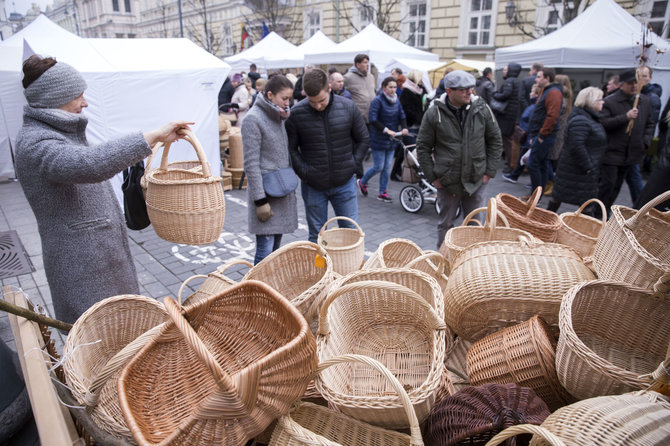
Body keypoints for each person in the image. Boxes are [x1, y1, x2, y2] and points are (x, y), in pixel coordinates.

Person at [14, 55, 193, 324]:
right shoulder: (36, 142)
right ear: (54, 97)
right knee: (101, 345)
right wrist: (153, 136)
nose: (84, 103)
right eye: (78, 96)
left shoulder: (56, 133)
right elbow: (90, 164)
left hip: (98, 262)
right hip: (82, 270)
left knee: (123, 335)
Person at [416, 70, 502, 249]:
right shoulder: (434, 113)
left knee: (474, 226)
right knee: (446, 225)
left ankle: (471, 263)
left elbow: (495, 140)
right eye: (463, 89)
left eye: (470, 88)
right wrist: (434, 178)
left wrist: (489, 172)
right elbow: (423, 147)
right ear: (449, 91)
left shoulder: (481, 108)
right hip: (447, 181)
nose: (469, 92)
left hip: (476, 179)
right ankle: (443, 263)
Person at [286, 69, 369, 243]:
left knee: (351, 234)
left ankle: (349, 270)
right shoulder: (296, 114)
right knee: (317, 236)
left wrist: (352, 164)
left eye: (321, 100)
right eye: (312, 101)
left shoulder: (348, 107)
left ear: (329, 87)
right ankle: (320, 270)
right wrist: (305, 172)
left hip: (344, 183)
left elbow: (363, 139)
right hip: (314, 186)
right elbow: (291, 149)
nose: (317, 105)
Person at [242, 75, 298, 264]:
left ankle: (270, 290)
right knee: (265, 252)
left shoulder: (278, 116)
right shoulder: (253, 119)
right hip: (266, 195)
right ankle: (257, 289)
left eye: (289, 99)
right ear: (270, 95)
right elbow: (251, 164)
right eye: (284, 98)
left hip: (280, 191)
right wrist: (260, 201)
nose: (287, 103)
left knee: (275, 252)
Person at [599, 69, 654, 214]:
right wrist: (625, 117)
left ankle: (607, 211)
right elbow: (603, 123)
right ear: (622, 84)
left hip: (632, 153)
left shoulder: (644, 101)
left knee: (617, 186)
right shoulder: (610, 101)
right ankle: (599, 212)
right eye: (631, 83)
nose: (634, 86)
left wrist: (645, 142)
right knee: (608, 184)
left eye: (637, 83)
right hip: (612, 152)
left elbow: (650, 123)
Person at [546, 87, 607, 214]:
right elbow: (577, 146)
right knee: (584, 204)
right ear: (591, 101)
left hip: (581, 170)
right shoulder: (581, 120)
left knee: (561, 200)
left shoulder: (589, 118)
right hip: (578, 170)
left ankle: (546, 222)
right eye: (600, 99)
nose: (603, 102)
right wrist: (588, 167)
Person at [358, 76, 408, 202]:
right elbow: (373, 119)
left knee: (387, 167)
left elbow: (402, 114)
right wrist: (386, 130)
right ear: (384, 87)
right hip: (379, 138)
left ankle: (382, 192)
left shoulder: (396, 100)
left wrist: (404, 128)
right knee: (379, 166)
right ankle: (362, 181)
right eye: (390, 87)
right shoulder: (377, 101)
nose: (393, 90)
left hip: (392, 139)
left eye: (395, 87)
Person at [525, 67, 562, 197]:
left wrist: (541, 135)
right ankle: (536, 196)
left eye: (539, 76)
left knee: (533, 164)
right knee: (542, 164)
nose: (536, 79)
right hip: (541, 135)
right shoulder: (546, 91)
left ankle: (535, 197)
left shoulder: (553, 93)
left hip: (545, 136)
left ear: (547, 78)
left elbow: (552, 116)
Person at [394, 69, 426, 180]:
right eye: (420, 77)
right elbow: (406, 110)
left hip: (418, 124)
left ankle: (395, 172)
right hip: (409, 124)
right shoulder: (407, 91)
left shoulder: (421, 90)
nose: (422, 80)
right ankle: (401, 172)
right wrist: (419, 117)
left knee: (403, 149)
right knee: (409, 149)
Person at [545, 74, 573, 196]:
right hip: (560, 131)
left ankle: (552, 183)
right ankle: (550, 182)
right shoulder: (567, 97)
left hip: (555, 132)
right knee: (549, 159)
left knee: (547, 159)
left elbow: (552, 116)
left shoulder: (561, 98)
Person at [491, 63, 522, 168]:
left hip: (506, 114)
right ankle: (512, 163)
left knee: (506, 140)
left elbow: (506, 95)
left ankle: (511, 164)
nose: (504, 71)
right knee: (507, 139)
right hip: (510, 114)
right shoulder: (516, 81)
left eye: (505, 69)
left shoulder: (509, 81)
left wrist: (495, 94)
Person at [344, 54, 377, 125]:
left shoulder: (371, 76)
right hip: (358, 118)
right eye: (365, 62)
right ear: (358, 64)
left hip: (372, 116)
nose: (368, 64)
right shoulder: (348, 77)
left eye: (368, 62)